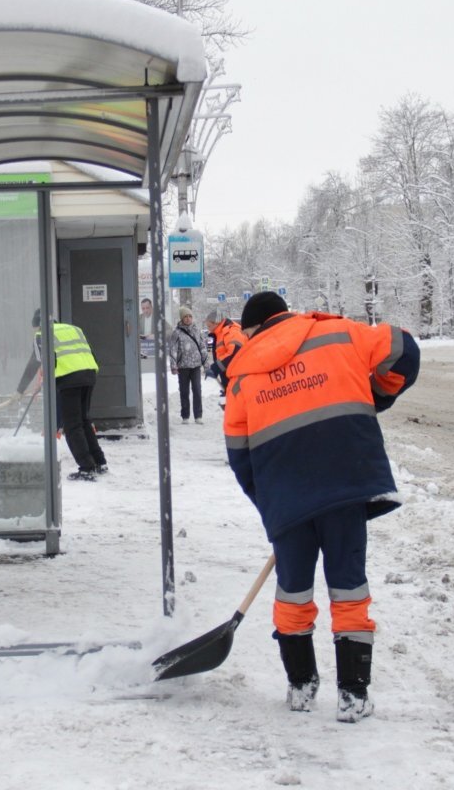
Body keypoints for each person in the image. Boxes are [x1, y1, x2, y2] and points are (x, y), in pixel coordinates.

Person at [222, 291, 419, 723]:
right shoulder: (339, 333)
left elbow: (239, 453)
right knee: (348, 585)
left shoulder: (241, 376)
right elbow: (404, 349)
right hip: (345, 486)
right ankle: (352, 695)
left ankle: (301, 687)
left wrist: (272, 502)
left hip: (289, 499)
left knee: (292, 589)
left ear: (253, 329)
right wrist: (376, 392)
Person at [15, 309, 107, 480]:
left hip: (70, 379)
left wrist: (20, 390)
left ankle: (87, 468)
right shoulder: (73, 329)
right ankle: (99, 462)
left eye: (35, 328)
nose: (35, 331)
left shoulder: (42, 335)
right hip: (89, 375)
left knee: (72, 426)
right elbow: (85, 355)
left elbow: (34, 362)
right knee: (84, 421)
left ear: (38, 325)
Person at [166, 306, 208, 424]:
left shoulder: (196, 330)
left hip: (195, 366)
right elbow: (173, 350)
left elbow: (203, 348)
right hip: (183, 367)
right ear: (181, 318)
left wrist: (206, 364)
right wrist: (174, 365)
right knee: (184, 391)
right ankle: (185, 416)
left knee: (197, 390)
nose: (188, 319)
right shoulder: (177, 333)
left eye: (190, 316)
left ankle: (198, 416)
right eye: (186, 317)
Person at [204, 310, 246, 397]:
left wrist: (216, 367)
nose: (208, 329)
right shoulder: (218, 333)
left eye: (209, 326)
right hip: (229, 377)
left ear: (216, 323)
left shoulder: (231, 331)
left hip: (237, 377)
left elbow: (235, 353)